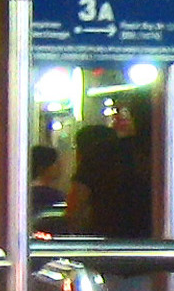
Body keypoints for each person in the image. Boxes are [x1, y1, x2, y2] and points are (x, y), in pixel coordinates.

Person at [65, 91, 154, 239]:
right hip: (162, 250)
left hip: (107, 247)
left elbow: (75, 208)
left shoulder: (102, 153)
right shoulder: (173, 159)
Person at [30, 145, 67, 214]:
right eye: (56, 163)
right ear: (44, 167)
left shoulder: (25, 193)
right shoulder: (55, 197)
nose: (60, 166)